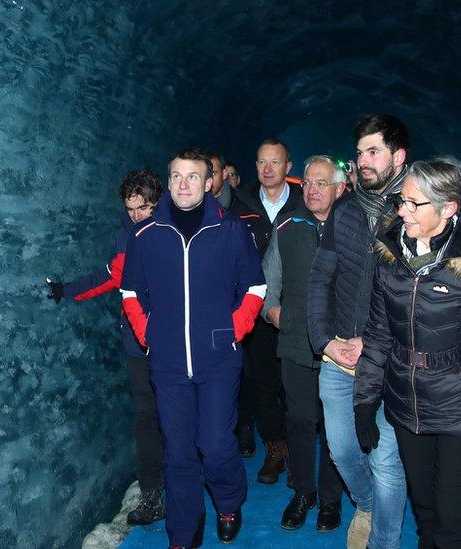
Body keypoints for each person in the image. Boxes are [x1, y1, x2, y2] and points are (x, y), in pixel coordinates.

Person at [353, 159, 461, 548]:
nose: (402, 211)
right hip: (407, 407)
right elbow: (378, 335)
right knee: (426, 514)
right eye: (401, 201)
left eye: (415, 204)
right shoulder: (391, 255)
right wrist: (364, 399)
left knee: (453, 523)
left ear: (448, 209)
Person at [120, 149, 266, 549]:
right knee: (179, 453)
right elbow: (131, 290)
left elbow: (255, 287)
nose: (184, 184)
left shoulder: (230, 229)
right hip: (166, 364)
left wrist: (234, 331)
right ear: (168, 182)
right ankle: (183, 532)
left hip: (219, 359)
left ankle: (229, 502)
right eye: (176, 176)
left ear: (209, 183)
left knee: (216, 445)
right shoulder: (146, 235)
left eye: (192, 176)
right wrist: (149, 334)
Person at [306, 114, 410, 549]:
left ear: (398, 156)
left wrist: (374, 343)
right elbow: (320, 280)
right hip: (337, 358)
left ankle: (383, 541)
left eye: (374, 152)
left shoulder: (417, 211)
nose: (363, 161)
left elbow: (427, 299)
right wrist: (326, 340)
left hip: (387, 363)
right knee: (343, 451)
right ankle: (365, 505)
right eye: (361, 152)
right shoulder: (345, 213)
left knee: (386, 460)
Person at [45, 169, 167, 525]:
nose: (136, 216)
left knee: (178, 415)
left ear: (157, 202)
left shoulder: (175, 232)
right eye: (130, 209)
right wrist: (66, 290)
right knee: (146, 419)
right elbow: (111, 276)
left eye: (142, 208)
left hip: (174, 343)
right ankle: (152, 495)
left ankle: (189, 481)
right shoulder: (125, 235)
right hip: (136, 343)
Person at [260, 155, 346, 532]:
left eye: (321, 183)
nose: (311, 190)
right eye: (307, 183)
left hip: (340, 347)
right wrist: (273, 312)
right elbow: (268, 280)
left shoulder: (353, 229)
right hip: (295, 340)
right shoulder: (288, 226)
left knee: (334, 426)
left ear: (340, 189)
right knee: (298, 419)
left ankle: (330, 499)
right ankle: (303, 492)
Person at [229, 139, 302, 485]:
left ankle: (299, 450)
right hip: (253, 309)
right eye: (262, 163)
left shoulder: (305, 203)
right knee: (261, 380)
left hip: (297, 309)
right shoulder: (239, 205)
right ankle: (275, 447)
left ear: (289, 166)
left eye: (276, 162)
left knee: (297, 383)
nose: (268, 169)